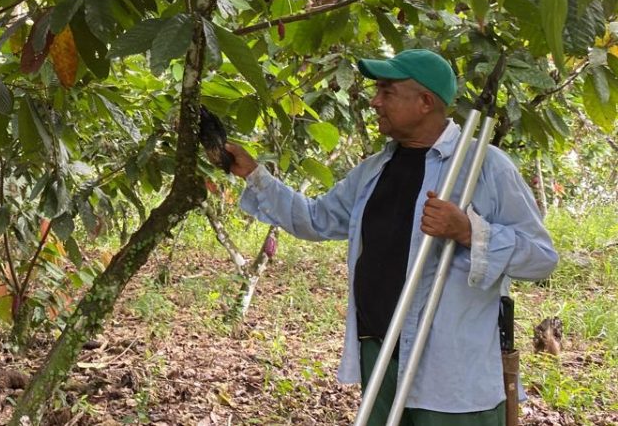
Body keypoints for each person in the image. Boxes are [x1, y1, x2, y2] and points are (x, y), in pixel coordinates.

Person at [222, 48, 558, 426]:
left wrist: (468, 231)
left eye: (386, 91)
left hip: (451, 370)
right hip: (380, 354)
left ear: (425, 102)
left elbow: (542, 257)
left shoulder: (486, 167)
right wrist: (254, 175)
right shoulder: (374, 169)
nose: (373, 100)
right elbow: (316, 219)